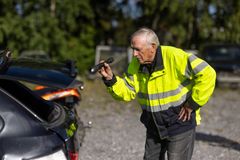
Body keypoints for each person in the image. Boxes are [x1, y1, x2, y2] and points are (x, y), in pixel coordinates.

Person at [98, 27, 216, 160]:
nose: (134, 54)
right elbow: (127, 91)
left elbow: (208, 73)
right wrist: (110, 79)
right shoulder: (135, 64)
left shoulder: (174, 56)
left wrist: (192, 103)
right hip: (154, 125)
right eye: (133, 49)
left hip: (180, 123)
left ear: (152, 47)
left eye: (138, 49)